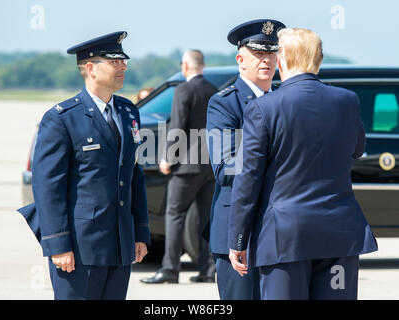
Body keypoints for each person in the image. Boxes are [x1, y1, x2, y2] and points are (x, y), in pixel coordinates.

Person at [228, 28, 378, 300]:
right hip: (339, 236)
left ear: (281, 61)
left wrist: (237, 239)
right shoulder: (347, 101)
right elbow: (358, 149)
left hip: (285, 238)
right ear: (318, 61)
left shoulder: (265, 108)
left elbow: (248, 178)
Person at [17, 31, 150, 300]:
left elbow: (133, 175)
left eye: (123, 60)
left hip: (120, 244)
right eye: (114, 61)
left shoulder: (127, 111)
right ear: (90, 68)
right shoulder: (62, 118)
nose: (123, 66)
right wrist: (57, 244)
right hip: (79, 248)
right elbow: (48, 188)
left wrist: (140, 233)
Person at [206, 19, 285, 300]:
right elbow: (225, 167)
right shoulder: (224, 103)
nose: (266, 60)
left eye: (271, 53)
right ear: (241, 60)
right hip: (238, 230)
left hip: (281, 229)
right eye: (258, 54)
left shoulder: (286, 100)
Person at [141, 50, 217, 284]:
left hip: (186, 166)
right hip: (209, 165)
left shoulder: (184, 90)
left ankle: (170, 269)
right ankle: (208, 269)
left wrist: (167, 158)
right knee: (206, 219)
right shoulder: (213, 90)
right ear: (202, 66)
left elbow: (177, 126)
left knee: (174, 215)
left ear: (185, 66)